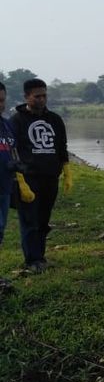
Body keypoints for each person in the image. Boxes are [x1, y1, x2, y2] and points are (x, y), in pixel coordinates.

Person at [10, 78, 72, 273]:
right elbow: (11, 151)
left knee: (43, 221)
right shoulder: (16, 121)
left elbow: (61, 147)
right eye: (37, 96)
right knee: (29, 221)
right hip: (27, 180)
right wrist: (19, 178)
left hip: (50, 178)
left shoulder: (55, 120)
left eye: (44, 96)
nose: (42, 100)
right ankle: (32, 259)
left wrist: (66, 170)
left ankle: (41, 257)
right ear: (26, 97)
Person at [0, 82, 18, 293]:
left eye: (2, 100)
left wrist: (16, 165)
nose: (0, 104)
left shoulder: (7, 126)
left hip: (4, 188)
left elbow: (13, 152)